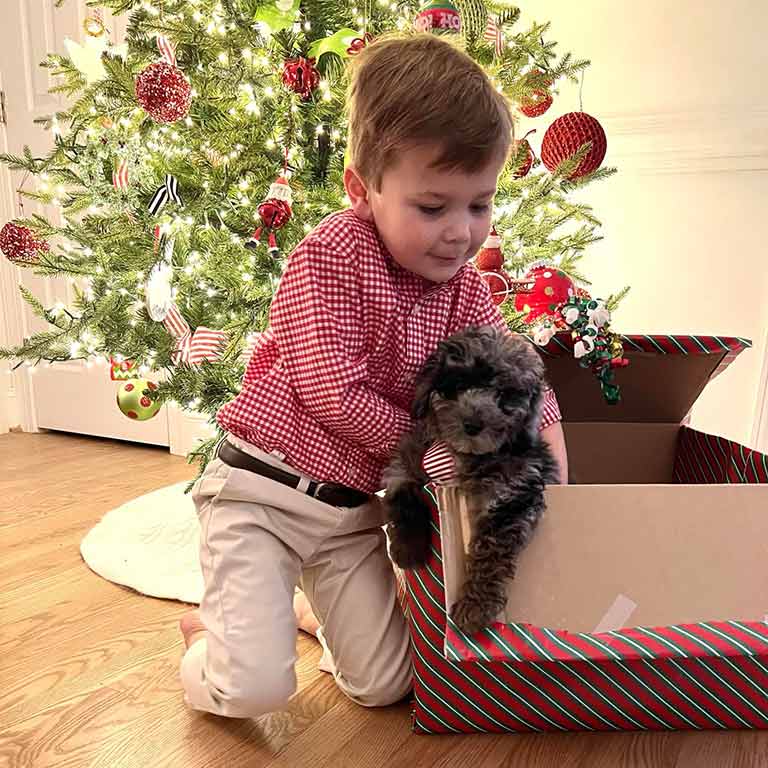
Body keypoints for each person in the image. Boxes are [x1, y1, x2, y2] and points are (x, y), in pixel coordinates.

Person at [178, 33, 568, 719]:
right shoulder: (328, 256)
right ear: (363, 191)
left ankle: (284, 616)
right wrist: (436, 453)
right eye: (432, 206)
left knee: (388, 685)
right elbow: (333, 393)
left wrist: (548, 441)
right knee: (255, 690)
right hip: (262, 493)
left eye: (479, 204)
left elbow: (514, 371)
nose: (459, 232)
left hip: (352, 515)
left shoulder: (468, 293)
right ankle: (211, 646)